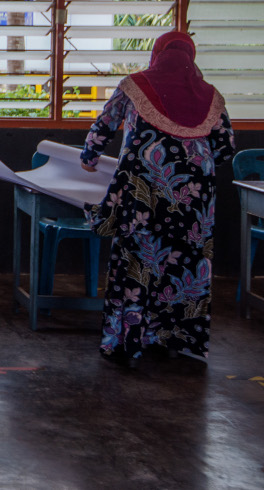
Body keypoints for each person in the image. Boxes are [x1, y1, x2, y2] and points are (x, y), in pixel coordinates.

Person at [80, 31, 235, 367]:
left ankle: (127, 343)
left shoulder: (135, 85)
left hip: (143, 193)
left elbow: (105, 123)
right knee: (187, 262)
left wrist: (89, 157)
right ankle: (178, 342)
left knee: (138, 259)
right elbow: (225, 147)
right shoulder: (210, 95)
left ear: (158, 53)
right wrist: (194, 165)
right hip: (195, 198)